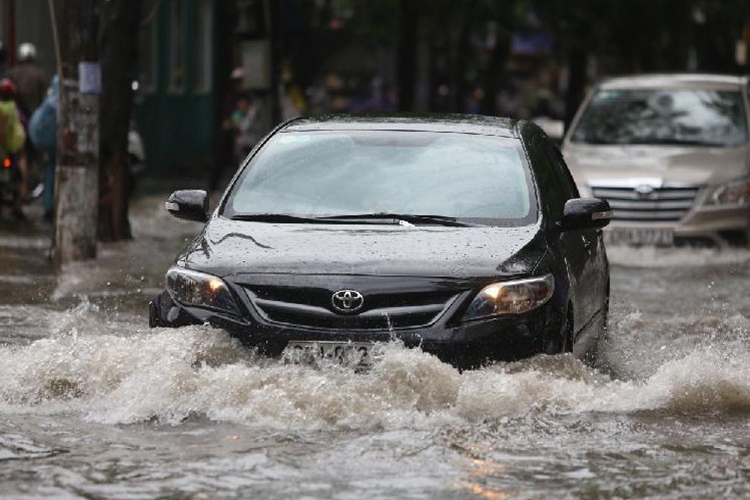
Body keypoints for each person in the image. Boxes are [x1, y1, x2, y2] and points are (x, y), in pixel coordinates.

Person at [0, 78, 29, 221]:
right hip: (12, 148)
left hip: (6, 149)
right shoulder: (13, 108)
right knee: (21, 174)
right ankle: (18, 206)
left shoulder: (5, 108)